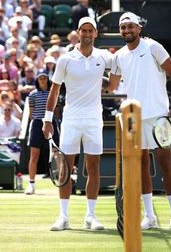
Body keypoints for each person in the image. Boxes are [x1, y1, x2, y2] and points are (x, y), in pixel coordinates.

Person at [108, 12, 171, 232]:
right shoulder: (118, 57)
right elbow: (111, 85)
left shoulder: (153, 47)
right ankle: (150, 217)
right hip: (135, 118)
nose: (127, 31)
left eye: (130, 27)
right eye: (123, 27)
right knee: (143, 166)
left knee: (166, 165)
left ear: (139, 28)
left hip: (158, 115)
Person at [42, 17, 111, 231]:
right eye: (84, 30)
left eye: (91, 30)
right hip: (71, 119)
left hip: (93, 119)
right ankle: (63, 216)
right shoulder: (65, 59)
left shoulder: (104, 57)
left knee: (93, 168)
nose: (88, 33)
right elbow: (54, 90)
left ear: (96, 34)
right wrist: (47, 119)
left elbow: (125, 61)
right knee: (65, 167)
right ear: (78, 33)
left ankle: (90, 216)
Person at [25, 72, 49, 195]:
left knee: (57, 153)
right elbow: (31, 112)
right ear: (37, 80)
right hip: (37, 124)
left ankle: (64, 183)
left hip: (51, 123)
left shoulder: (53, 92)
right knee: (34, 155)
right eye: (40, 78)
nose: (43, 80)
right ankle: (31, 184)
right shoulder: (32, 95)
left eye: (45, 78)